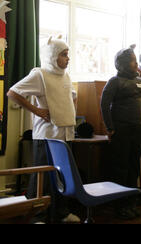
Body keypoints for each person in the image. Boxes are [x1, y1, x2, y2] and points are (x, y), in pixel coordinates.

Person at [7, 36, 80, 224]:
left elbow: (73, 96)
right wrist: (37, 111)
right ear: (52, 56)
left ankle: (60, 213)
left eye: (68, 54)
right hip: (47, 136)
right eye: (64, 55)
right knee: (42, 178)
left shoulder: (65, 75)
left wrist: (69, 113)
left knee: (62, 177)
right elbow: (13, 92)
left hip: (65, 135)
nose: (67, 58)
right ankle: (36, 217)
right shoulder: (40, 74)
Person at [101, 45, 141, 220]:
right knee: (120, 168)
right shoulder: (114, 82)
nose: (136, 63)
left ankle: (130, 203)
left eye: (136, 60)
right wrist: (110, 127)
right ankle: (120, 205)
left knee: (133, 168)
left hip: (138, 130)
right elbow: (104, 104)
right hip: (121, 131)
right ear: (122, 64)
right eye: (132, 60)